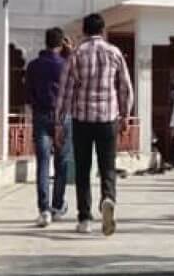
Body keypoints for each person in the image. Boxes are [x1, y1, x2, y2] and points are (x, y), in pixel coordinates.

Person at [55, 12, 134, 236]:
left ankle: (84, 218)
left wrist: (59, 122)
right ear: (102, 31)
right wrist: (125, 115)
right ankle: (108, 199)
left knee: (83, 169)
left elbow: (65, 91)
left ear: (84, 31)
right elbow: (125, 87)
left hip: (82, 119)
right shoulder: (114, 52)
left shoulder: (77, 53)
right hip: (108, 119)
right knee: (107, 166)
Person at [25, 26, 72, 226]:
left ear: (45, 42)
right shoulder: (65, 65)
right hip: (62, 117)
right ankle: (58, 205)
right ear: (61, 44)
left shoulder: (33, 66)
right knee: (61, 163)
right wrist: (70, 52)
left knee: (43, 164)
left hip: (41, 115)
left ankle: (44, 210)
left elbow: (27, 95)